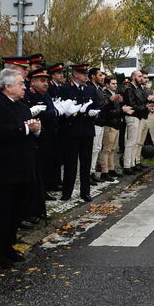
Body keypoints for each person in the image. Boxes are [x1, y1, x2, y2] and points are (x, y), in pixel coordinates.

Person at [0, 69, 40, 267]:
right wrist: (26, 129)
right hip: (5, 168)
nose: (25, 87)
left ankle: (9, 246)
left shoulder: (22, 106)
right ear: (7, 86)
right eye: (21, 84)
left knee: (16, 211)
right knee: (2, 212)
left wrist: (36, 130)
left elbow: (30, 132)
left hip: (24, 166)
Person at [58, 63, 100, 202]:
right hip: (71, 131)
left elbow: (96, 105)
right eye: (83, 73)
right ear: (75, 74)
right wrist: (74, 112)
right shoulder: (65, 89)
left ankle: (85, 192)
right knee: (70, 164)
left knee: (85, 163)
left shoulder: (90, 90)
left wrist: (93, 112)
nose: (86, 76)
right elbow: (61, 110)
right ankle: (67, 192)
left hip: (87, 130)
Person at [26, 66, 60, 199]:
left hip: (48, 134)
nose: (46, 83)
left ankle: (43, 191)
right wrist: (51, 113)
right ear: (33, 82)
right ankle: (37, 194)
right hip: (35, 137)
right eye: (42, 80)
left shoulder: (45, 94)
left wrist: (53, 113)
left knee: (46, 165)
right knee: (36, 167)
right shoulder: (30, 95)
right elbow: (45, 114)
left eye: (46, 80)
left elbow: (52, 111)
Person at [122, 70, 154, 174]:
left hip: (139, 116)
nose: (141, 78)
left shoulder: (138, 88)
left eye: (142, 76)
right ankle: (127, 166)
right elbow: (132, 105)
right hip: (132, 116)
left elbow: (142, 102)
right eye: (139, 76)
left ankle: (132, 164)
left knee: (136, 142)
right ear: (133, 77)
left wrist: (149, 103)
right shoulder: (129, 89)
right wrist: (145, 106)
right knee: (131, 142)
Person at [97, 75, 123, 182]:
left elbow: (117, 109)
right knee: (106, 149)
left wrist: (121, 107)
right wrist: (116, 106)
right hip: (109, 125)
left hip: (116, 124)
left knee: (112, 149)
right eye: (113, 83)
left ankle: (111, 168)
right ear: (107, 85)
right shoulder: (105, 95)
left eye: (116, 83)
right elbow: (106, 110)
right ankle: (104, 171)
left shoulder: (114, 94)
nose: (115, 85)